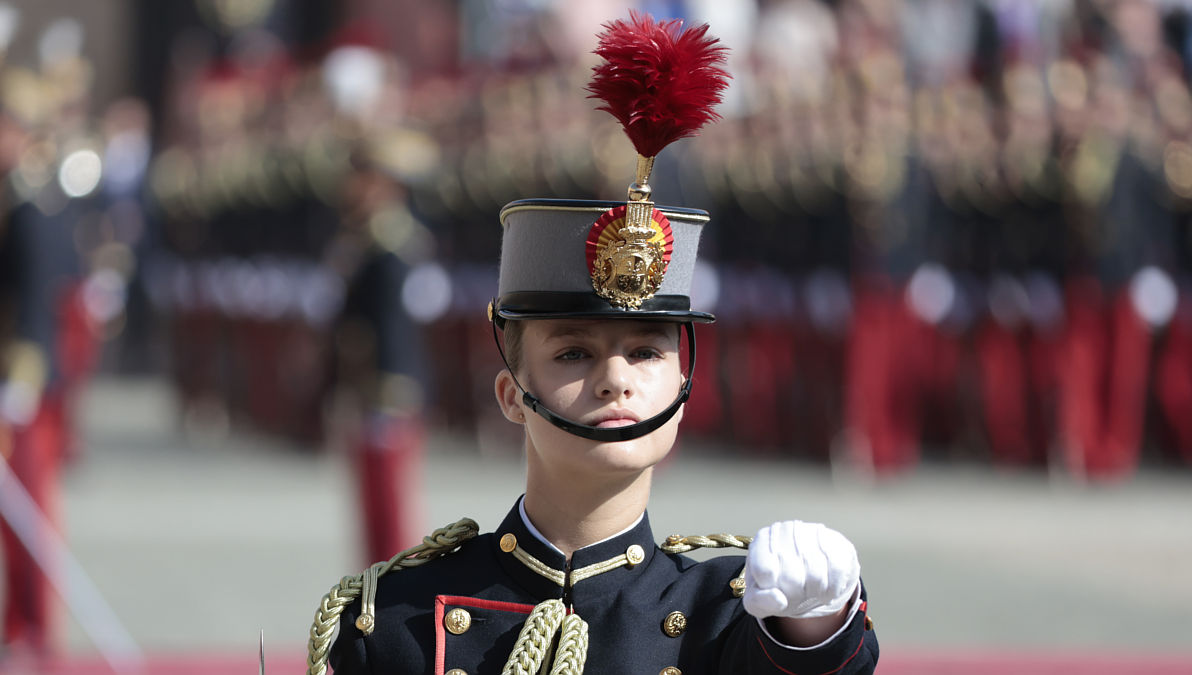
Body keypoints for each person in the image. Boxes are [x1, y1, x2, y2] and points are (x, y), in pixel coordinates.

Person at [306, 12, 878, 675]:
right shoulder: (394, 619)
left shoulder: (731, 616)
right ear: (512, 394)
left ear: (684, 391)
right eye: (573, 353)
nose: (616, 378)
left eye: (647, 352)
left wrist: (812, 629)